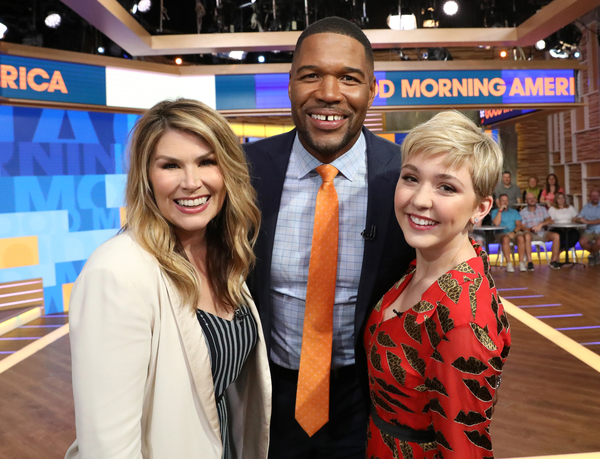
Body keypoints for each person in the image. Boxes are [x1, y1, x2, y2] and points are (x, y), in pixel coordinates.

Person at [245, 17, 414, 459]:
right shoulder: (244, 169)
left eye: (348, 78)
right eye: (311, 75)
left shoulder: (406, 177)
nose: (328, 93)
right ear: (290, 84)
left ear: (372, 90)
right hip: (264, 396)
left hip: (373, 399)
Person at [66, 99, 271, 459]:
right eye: (171, 165)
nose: (192, 183)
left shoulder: (226, 254)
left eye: (206, 162)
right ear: (146, 177)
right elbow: (108, 447)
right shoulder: (115, 273)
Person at [364, 111, 511, 459]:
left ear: (481, 207)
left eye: (446, 187)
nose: (420, 199)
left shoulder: (463, 318)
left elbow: (464, 448)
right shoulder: (421, 265)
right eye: (411, 178)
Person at [519, 192, 561, 270]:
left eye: (533, 198)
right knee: (527, 235)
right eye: (529, 199)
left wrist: (541, 224)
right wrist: (531, 229)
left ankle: (554, 261)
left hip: (543, 232)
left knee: (556, 236)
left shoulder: (542, 209)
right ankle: (530, 262)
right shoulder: (522, 212)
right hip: (531, 233)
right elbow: (522, 227)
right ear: (526, 201)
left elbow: (550, 220)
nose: (532, 200)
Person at [492, 194, 526, 272]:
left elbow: (519, 225)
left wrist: (514, 232)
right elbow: (496, 223)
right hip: (500, 233)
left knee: (521, 237)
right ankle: (509, 264)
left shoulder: (514, 212)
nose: (505, 202)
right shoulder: (494, 212)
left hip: (513, 232)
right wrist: (500, 210)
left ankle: (521, 262)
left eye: (506, 200)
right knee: (505, 238)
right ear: (499, 202)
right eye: (503, 200)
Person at [575, 189, 600, 266]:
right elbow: (579, 217)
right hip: (589, 230)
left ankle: (592, 255)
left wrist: (587, 222)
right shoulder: (586, 207)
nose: (595, 197)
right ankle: (594, 254)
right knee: (582, 242)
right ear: (590, 197)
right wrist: (578, 219)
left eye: (596, 195)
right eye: (593, 196)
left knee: (599, 243)